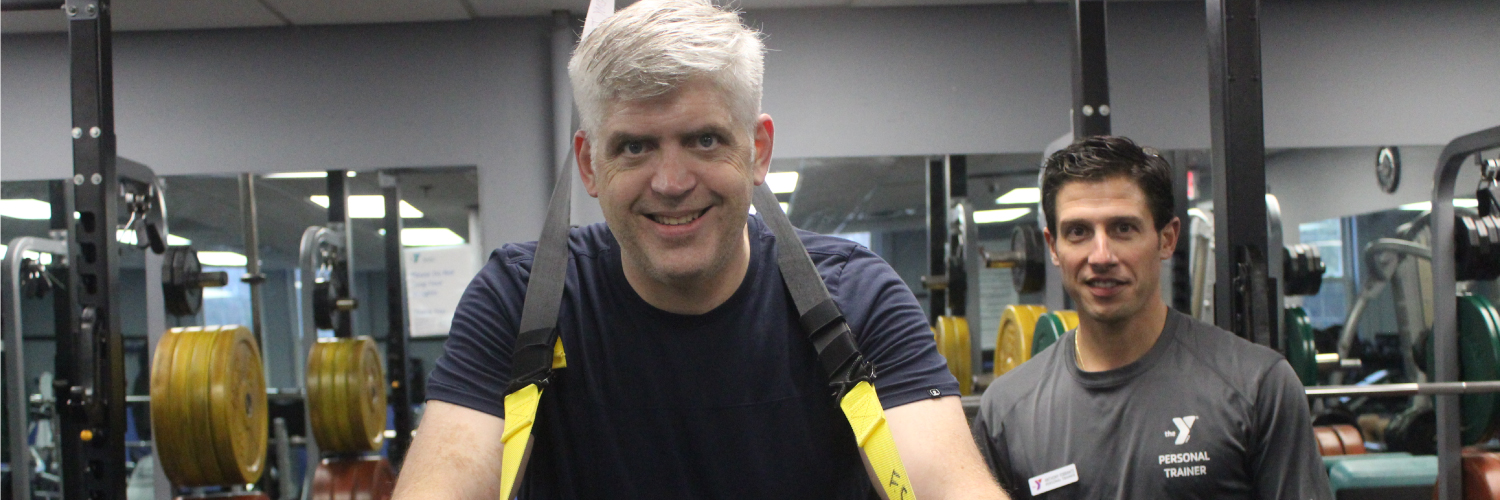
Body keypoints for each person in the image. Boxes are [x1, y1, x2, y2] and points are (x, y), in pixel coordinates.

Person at [391, 1, 1005, 498]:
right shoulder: (521, 299)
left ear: (758, 151)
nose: (671, 182)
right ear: (590, 164)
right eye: (634, 147)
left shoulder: (857, 300)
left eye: (705, 140)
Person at [971, 136, 1331, 499]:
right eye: (1078, 232)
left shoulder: (1257, 386)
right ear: (1053, 247)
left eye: (1123, 228)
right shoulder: (1007, 410)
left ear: (1167, 239)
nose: (1101, 256)